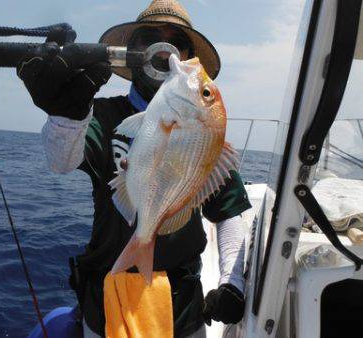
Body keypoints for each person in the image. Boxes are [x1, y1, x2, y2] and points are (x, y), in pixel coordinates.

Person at [17, 1, 251, 337]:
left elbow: (228, 211)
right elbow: (61, 161)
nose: (160, 49)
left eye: (175, 42)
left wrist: (232, 282)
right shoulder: (98, 114)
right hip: (106, 298)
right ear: (132, 52)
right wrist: (66, 116)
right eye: (149, 38)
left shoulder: (204, 133)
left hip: (181, 304)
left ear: (183, 57)